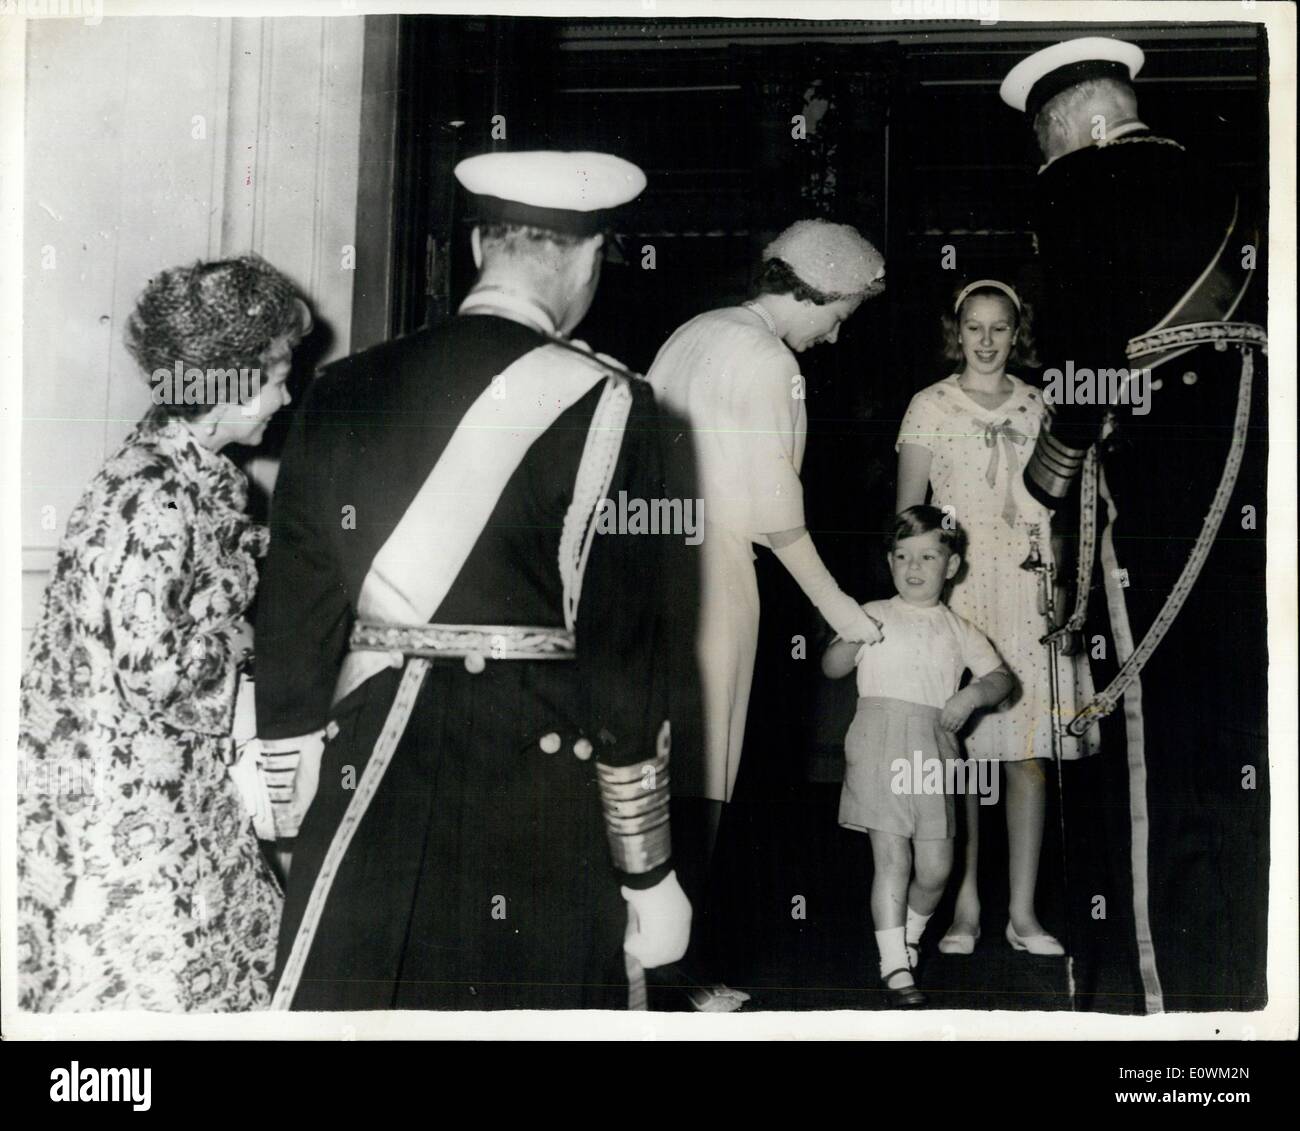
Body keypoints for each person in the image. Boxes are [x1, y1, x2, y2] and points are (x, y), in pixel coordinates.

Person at [255, 150, 693, 1011]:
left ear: (480, 245)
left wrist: (288, 782)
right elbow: (623, 646)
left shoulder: (341, 388)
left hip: (367, 767)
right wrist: (648, 872)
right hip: (538, 786)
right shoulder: (615, 403)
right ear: (584, 257)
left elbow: (294, 606)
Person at [1001, 38, 1267, 1012]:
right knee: (1235, 731)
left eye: (1043, 144)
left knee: (1148, 737)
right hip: (1247, 477)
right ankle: (1243, 969)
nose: (1042, 164)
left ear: (1075, 128)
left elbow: (1082, 363)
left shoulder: (1079, 187)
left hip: (1153, 493)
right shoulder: (1228, 180)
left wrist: (1047, 474)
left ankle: (1163, 992)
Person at [17, 254, 311, 1011]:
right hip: (124, 805)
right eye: (278, 375)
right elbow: (153, 671)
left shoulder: (188, 473)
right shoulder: (153, 493)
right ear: (228, 385)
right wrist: (242, 644)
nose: (286, 394)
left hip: (169, 784)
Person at [896, 279, 1099, 958]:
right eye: (975, 328)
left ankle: (1023, 912)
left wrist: (1065, 582)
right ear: (958, 332)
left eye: (1000, 328)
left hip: (1029, 591)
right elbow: (908, 522)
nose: (987, 341)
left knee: (1030, 758)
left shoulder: (1040, 403)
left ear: (1018, 333)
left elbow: (1063, 508)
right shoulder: (928, 406)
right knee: (969, 762)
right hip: (963, 597)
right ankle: (966, 904)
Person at [822, 506, 1014, 1007]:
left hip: (934, 749)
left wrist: (969, 697)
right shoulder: (874, 614)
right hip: (879, 740)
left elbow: (1000, 679)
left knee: (935, 868)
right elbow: (831, 666)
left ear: (951, 567)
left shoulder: (958, 628)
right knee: (893, 858)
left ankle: (906, 939)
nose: (914, 566)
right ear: (890, 562)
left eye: (929, 556)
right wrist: (850, 636)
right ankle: (893, 965)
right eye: (903, 556)